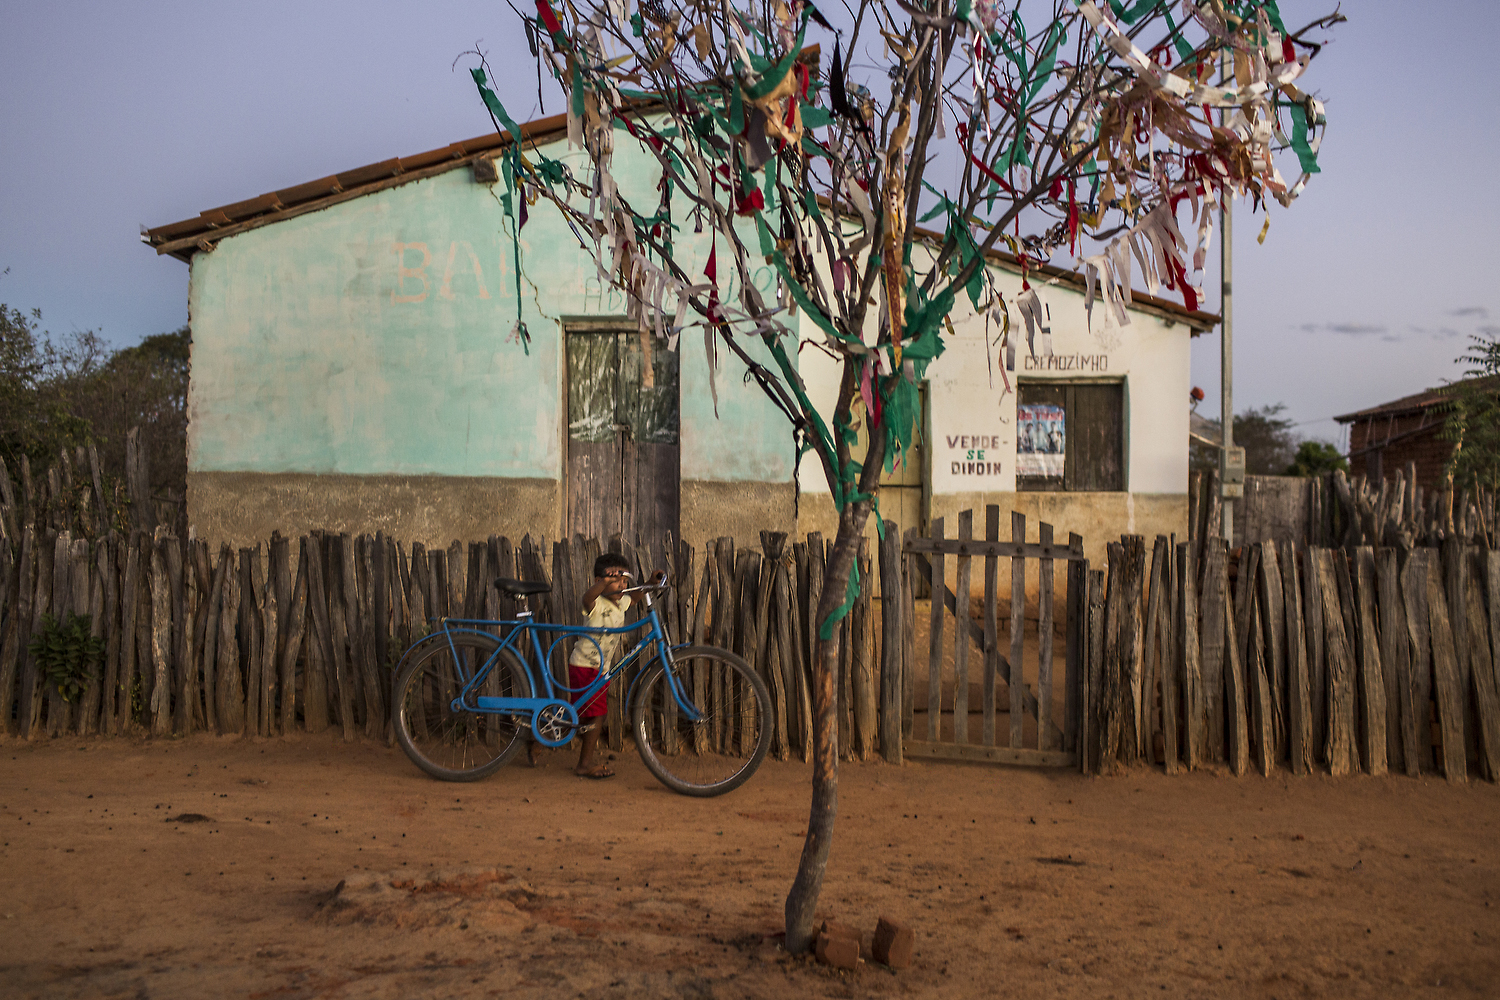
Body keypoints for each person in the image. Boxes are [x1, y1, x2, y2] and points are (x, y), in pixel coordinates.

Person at [566, 552, 635, 778]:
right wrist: (604, 583)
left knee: (582, 712)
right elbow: (586, 597)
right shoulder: (596, 604)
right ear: (600, 581)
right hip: (585, 666)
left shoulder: (620, 602)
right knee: (596, 715)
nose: (621, 585)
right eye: (615, 580)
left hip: (600, 669)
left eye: (624, 581)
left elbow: (634, 598)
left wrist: (651, 583)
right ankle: (584, 764)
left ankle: (540, 740)